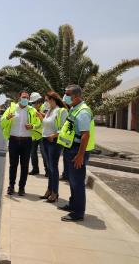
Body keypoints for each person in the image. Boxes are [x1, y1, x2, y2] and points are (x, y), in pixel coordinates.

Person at [57, 85, 95, 222]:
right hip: (70, 148)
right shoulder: (75, 108)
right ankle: (72, 204)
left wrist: (80, 156)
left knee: (77, 182)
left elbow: (85, 135)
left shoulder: (83, 111)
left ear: (77, 96)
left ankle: (78, 212)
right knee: (72, 181)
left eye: (68, 95)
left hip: (77, 150)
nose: (65, 97)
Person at [0, 91, 42, 196]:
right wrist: (7, 118)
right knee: (13, 165)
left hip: (27, 142)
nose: (26, 99)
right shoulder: (11, 109)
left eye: (27, 98)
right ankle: (11, 186)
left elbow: (40, 124)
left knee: (24, 166)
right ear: (19, 97)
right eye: (24, 97)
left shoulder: (32, 111)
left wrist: (32, 126)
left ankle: (22, 188)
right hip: (13, 140)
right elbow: (2, 123)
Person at [40, 91, 68, 203]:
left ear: (53, 100)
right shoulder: (49, 111)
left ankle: (55, 193)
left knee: (53, 167)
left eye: (47, 100)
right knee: (49, 167)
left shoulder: (61, 111)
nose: (45, 102)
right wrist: (41, 117)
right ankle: (49, 190)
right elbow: (47, 124)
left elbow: (64, 128)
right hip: (45, 140)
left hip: (54, 142)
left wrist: (54, 135)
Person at [28, 92, 47, 176]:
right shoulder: (31, 109)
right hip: (34, 135)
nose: (33, 104)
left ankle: (47, 171)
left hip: (43, 135)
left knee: (44, 153)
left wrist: (41, 115)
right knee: (32, 153)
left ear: (39, 101)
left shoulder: (45, 107)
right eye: (32, 103)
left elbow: (47, 120)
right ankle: (35, 169)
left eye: (34, 102)